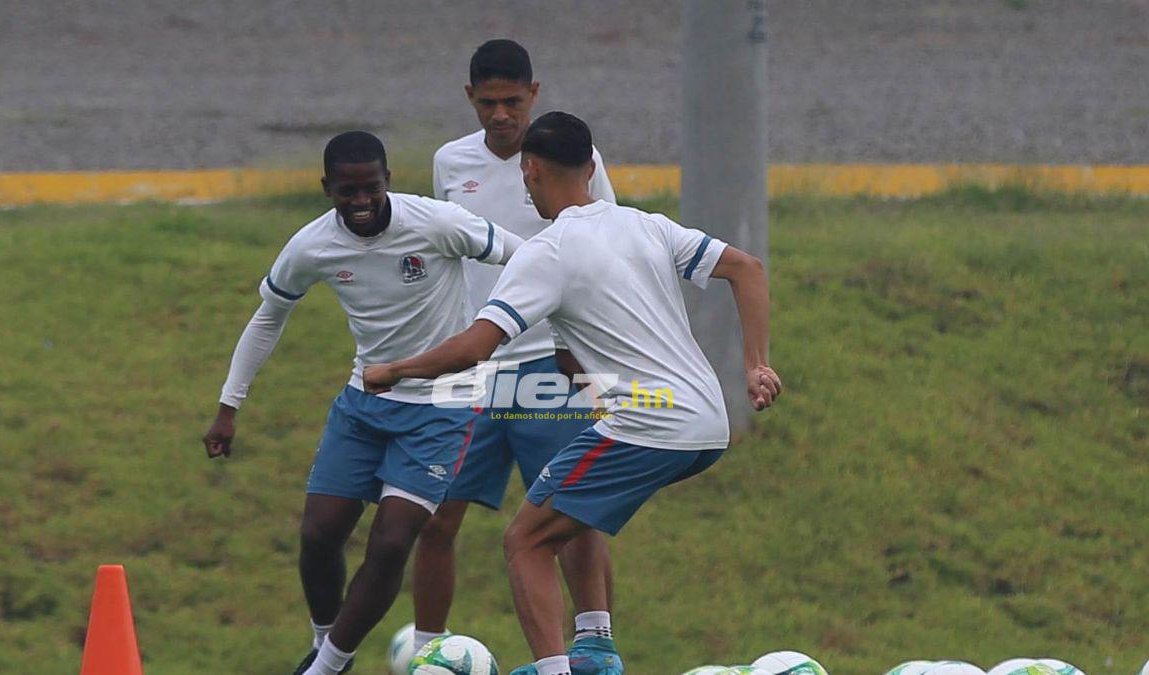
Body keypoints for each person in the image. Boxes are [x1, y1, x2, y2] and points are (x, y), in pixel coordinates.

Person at [363, 111, 781, 675]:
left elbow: (473, 350)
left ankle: (564, 668)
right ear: (590, 167)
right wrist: (756, 365)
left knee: (525, 542)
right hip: (706, 425)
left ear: (530, 171)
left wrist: (394, 372)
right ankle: (595, 647)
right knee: (565, 507)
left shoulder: (547, 251)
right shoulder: (646, 225)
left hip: (650, 427)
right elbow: (747, 268)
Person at [201, 130, 524, 675]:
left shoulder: (437, 223)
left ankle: (325, 667)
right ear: (327, 187)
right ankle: (328, 645)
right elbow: (267, 318)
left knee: (392, 542)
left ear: (388, 182)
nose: (360, 202)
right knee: (318, 533)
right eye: (346, 191)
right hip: (364, 402)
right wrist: (229, 406)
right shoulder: (312, 246)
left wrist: (512, 328)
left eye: (370, 188)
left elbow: (527, 259)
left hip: (444, 404)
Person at [404, 38, 621, 673]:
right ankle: (428, 653)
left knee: (571, 513)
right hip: (471, 371)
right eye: (489, 102)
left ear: (534, 94)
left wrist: (587, 348)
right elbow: (446, 247)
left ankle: (596, 642)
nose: (501, 114)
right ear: (470, 98)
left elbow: (603, 243)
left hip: (551, 363)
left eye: (512, 101)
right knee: (435, 516)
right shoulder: (450, 162)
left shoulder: (571, 158)